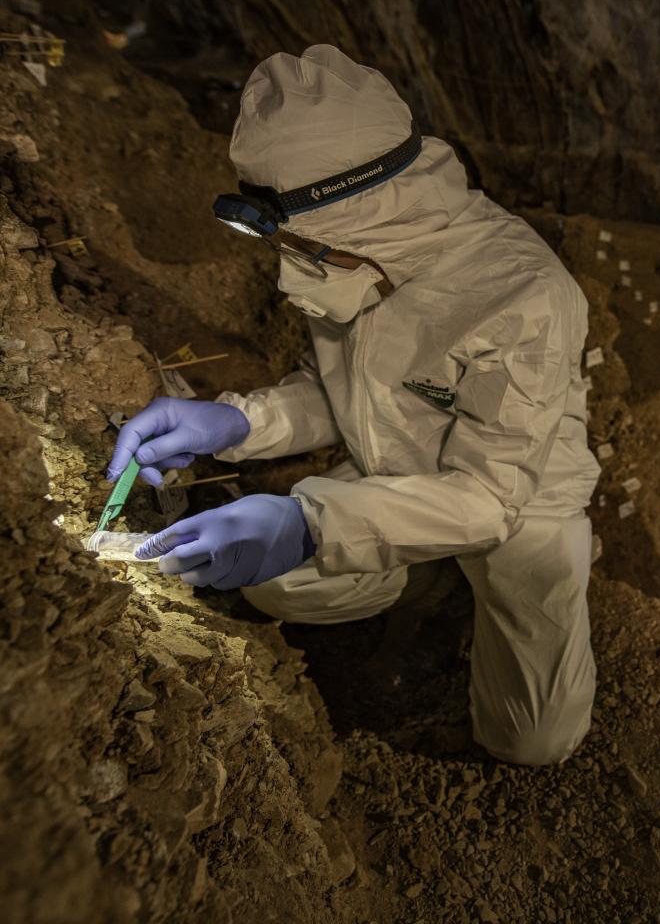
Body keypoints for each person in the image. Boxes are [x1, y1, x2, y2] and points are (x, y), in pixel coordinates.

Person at [105, 45, 599, 766]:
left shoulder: (524, 296)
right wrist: (237, 424)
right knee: (276, 585)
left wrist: (312, 523)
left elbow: (490, 500)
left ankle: (460, 583)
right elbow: (333, 392)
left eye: (300, 252)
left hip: (518, 502)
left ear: (359, 218)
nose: (288, 280)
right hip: (390, 470)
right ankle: (426, 577)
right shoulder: (344, 251)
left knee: (535, 740)